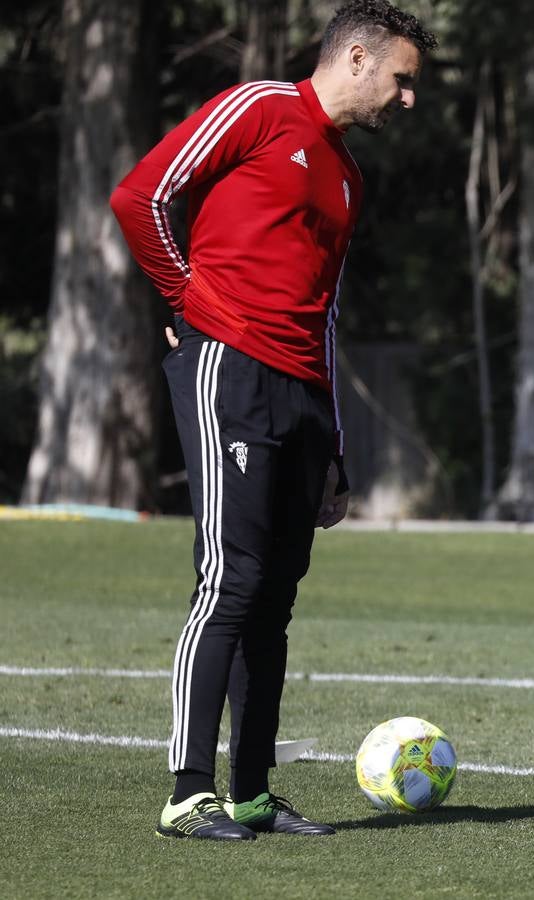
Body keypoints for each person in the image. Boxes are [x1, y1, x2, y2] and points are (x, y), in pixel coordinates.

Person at [109, 0, 437, 841]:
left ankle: (251, 790)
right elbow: (141, 196)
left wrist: (335, 444)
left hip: (300, 396)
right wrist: (189, 301)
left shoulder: (349, 176)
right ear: (356, 58)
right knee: (230, 579)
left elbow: (325, 315)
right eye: (402, 80)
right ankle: (189, 793)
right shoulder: (259, 107)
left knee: (275, 599)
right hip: (228, 369)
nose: (408, 101)